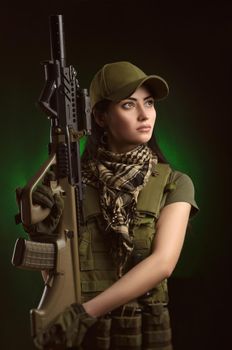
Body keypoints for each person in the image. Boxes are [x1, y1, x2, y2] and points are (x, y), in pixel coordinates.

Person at [31, 61, 198, 350]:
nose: (145, 115)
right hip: (86, 338)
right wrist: (41, 231)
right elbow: (58, 278)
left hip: (141, 333)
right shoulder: (72, 187)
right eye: (129, 105)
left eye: (149, 103)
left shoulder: (174, 183)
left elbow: (162, 264)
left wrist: (86, 312)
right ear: (100, 117)